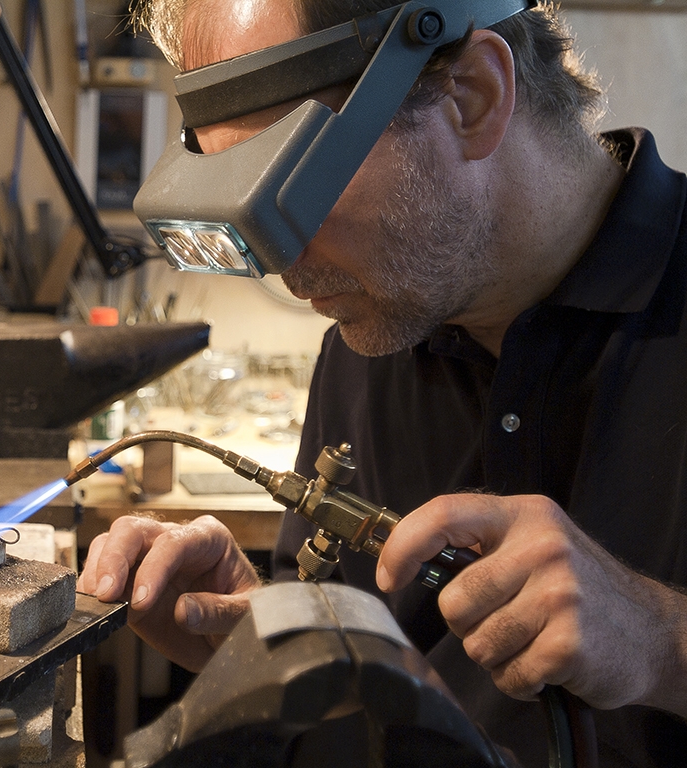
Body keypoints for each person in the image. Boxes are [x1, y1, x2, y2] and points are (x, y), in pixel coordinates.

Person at [77, 1, 687, 764]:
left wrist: (664, 643)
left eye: (291, 192)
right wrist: (271, 637)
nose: (281, 262)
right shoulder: (369, 341)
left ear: (473, 97)